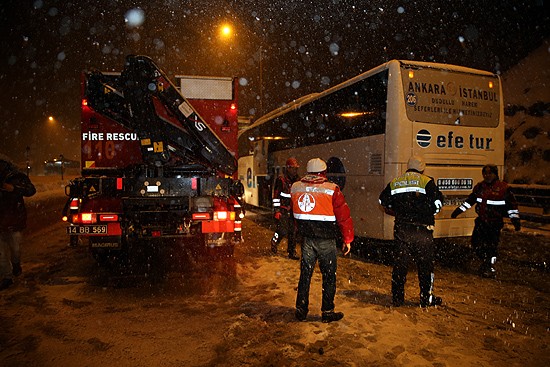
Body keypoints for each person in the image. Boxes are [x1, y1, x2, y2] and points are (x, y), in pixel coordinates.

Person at [291, 158, 354, 323]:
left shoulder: (296, 187)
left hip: (307, 240)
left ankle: (301, 310)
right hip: (326, 240)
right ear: (324, 172)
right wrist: (347, 239)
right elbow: (343, 217)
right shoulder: (332, 190)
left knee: (305, 275)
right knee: (329, 276)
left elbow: (295, 214)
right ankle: (327, 311)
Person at [379, 155, 444, 308]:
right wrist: (427, 213)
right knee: (425, 266)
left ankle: (397, 298)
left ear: (408, 167)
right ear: (422, 168)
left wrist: (397, 210)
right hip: (423, 230)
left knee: (400, 265)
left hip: (402, 228)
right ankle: (426, 298)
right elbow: (438, 204)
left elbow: (382, 201)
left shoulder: (396, 182)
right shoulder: (427, 182)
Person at [450, 164, 520, 278]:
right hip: (481, 221)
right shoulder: (480, 187)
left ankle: (489, 266)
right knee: (476, 243)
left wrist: (515, 220)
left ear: (495, 174)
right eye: (485, 173)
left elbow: (512, 206)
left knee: (491, 246)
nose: (487, 176)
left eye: (489, 173)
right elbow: (470, 201)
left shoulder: (504, 188)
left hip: (494, 223)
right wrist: (458, 211)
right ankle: (485, 261)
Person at [0, 156, 36, 290]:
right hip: (1, 221)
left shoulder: (17, 176)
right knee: (1, 252)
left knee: (15, 248)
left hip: (14, 219)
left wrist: (14, 189)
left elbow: (31, 190)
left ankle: (15, 264)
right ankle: (6, 277)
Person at [271, 157, 301, 260]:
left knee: (293, 231)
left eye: (296, 168)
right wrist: (277, 210)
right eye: (293, 168)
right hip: (283, 209)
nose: (295, 170)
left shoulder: (298, 180)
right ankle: (274, 241)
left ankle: (291, 252)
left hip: (293, 210)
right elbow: (276, 196)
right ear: (288, 168)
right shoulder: (281, 180)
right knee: (282, 230)